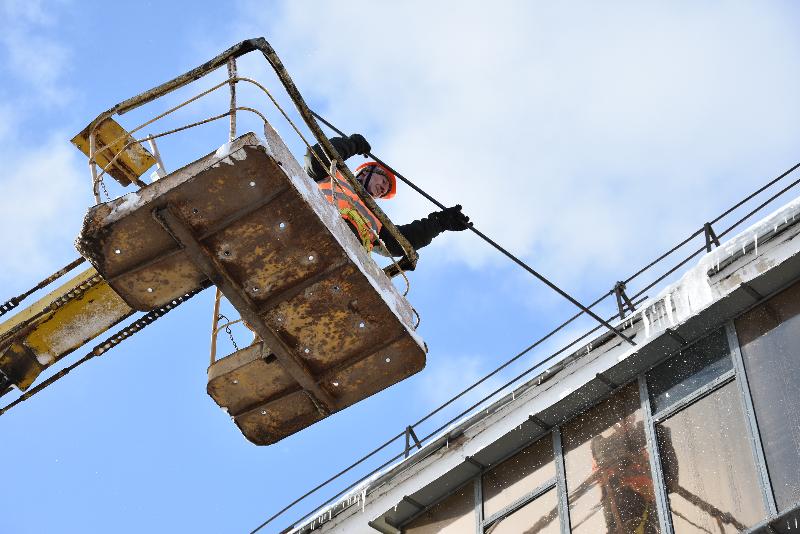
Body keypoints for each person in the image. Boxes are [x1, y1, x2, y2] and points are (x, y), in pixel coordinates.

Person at [304, 133, 470, 256]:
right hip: (311, 218)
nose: (383, 189)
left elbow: (400, 243)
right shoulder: (333, 173)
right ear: (367, 171)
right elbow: (316, 159)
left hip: (342, 251)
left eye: (385, 191)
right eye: (383, 181)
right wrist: (352, 144)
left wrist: (439, 223)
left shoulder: (376, 219)